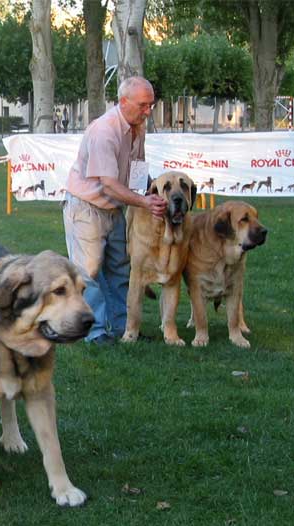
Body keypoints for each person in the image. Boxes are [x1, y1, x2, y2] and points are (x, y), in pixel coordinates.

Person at [62, 76, 167, 346]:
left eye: (150, 105)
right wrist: (144, 203)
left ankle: (125, 329)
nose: (148, 111)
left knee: (120, 270)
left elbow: (137, 171)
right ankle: (95, 333)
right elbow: (108, 186)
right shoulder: (104, 132)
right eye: (143, 105)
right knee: (90, 272)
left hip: (113, 209)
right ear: (123, 101)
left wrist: (158, 191)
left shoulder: (138, 127)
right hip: (86, 208)